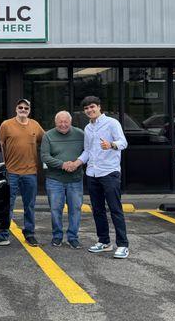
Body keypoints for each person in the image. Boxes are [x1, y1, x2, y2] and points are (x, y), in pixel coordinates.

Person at [67, 96, 130, 259]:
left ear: (99, 107)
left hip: (109, 173)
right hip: (92, 174)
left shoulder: (112, 123)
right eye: (86, 108)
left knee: (115, 209)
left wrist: (111, 145)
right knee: (98, 210)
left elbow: (123, 142)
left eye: (92, 107)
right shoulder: (88, 128)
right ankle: (104, 242)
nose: (89, 110)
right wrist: (76, 163)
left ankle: (123, 245)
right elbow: (87, 151)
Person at [0, 99, 45, 247]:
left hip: (30, 173)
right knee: (7, 205)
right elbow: (0, 146)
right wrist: (1, 167)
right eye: (21, 107)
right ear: (16, 108)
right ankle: (3, 235)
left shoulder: (35, 125)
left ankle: (29, 234)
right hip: (10, 172)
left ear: (29, 110)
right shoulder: (6, 125)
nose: (23, 109)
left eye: (26, 108)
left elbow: (46, 141)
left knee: (29, 206)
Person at [40, 111, 85, 249]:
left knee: (75, 209)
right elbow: (45, 156)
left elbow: (87, 152)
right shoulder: (48, 136)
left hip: (75, 179)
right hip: (55, 180)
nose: (63, 124)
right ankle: (57, 236)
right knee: (55, 209)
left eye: (66, 122)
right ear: (55, 122)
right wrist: (63, 164)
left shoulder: (80, 134)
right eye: (60, 122)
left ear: (70, 122)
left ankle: (73, 238)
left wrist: (76, 163)